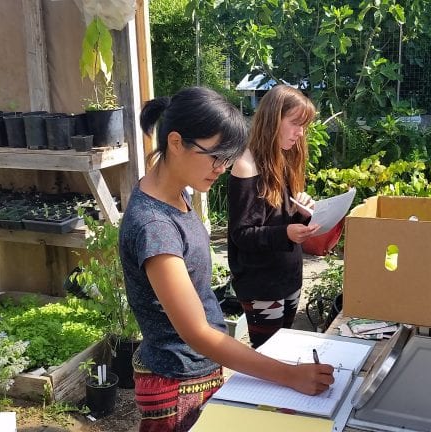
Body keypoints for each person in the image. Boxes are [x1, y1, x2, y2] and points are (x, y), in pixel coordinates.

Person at [119, 87, 334, 432]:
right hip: (177, 384)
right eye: (215, 156)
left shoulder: (174, 191)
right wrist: (289, 375)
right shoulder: (155, 227)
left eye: (227, 158)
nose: (221, 168)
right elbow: (199, 333)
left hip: (197, 371)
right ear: (176, 142)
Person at [227, 85, 320, 348]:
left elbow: (282, 221)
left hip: (288, 277)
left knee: (283, 349)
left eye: (304, 126)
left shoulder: (283, 157)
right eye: (295, 124)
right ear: (272, 119)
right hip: (262, 286)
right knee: (268, 357)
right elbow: (242, 234)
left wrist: (301, 215)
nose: (300, 133)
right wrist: (286, 232)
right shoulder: (246, 166)